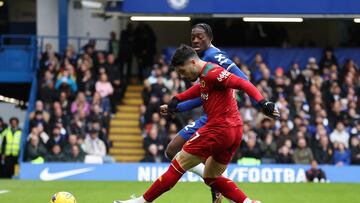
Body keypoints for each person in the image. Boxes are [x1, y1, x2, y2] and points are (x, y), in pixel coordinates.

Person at [114, 44, 279, 203]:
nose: (182, 75)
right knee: (211, 177)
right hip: (234, 131)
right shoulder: (206, 75)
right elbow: (200, 89)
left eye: (182, 71)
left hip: (218, 129)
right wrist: (177, 99)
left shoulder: (214, 72)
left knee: (178, 163)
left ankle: (141, 201)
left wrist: (263, 103)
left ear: (193, 62)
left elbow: (242, 82)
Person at [160, 23, 251, 202]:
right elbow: (203, 93)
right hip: (209, 115)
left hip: (219, 118)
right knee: (172, 150)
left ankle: (218, 186)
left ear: (210, 37)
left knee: (174, 151)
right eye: (193, 36)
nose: (195, 40)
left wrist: (257, 99)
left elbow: (243, 79)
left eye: (200, 36)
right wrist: (176, 107)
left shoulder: (214, 56)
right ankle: (217, 185)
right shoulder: (201, 58)